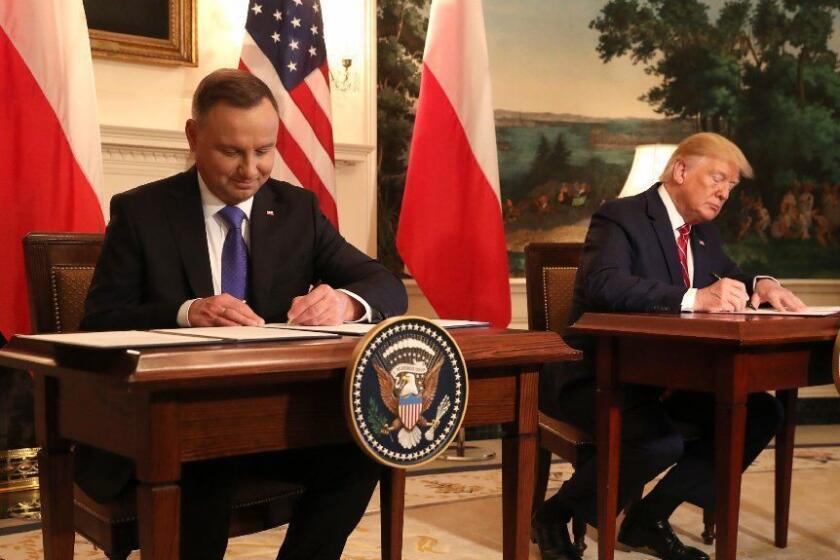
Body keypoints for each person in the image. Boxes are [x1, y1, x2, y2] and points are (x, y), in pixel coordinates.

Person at [77, 69, 407, 560]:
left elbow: (383, 283)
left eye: (264, 151)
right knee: (204, 470)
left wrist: (345, 301)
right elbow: (100, 322)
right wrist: (187, 312)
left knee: (362, 451)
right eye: (231, 152)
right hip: (168, 428)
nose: (250, 169)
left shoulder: (296, 210)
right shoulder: (142, 212)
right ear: (194, 137)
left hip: (267, 423)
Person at [532, 133, 805, 560]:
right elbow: (605, 284)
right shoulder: (620, 216)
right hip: (595, 373)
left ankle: (649, 518)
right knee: (658, 442)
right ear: (681, 170)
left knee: (761, 412)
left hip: (665, 378)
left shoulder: (702, 234)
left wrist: (762, 282)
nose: (724, 193)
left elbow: (732, 272)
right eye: (718, 178)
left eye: (731, 187)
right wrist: (696, 298)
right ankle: (554, 512)